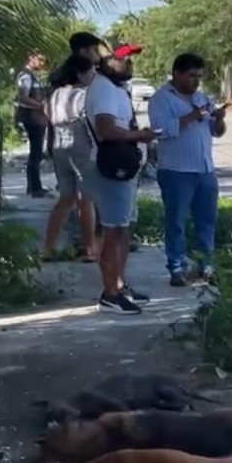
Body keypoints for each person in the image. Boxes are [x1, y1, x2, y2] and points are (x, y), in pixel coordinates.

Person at [82, 43, 156, 314]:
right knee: (113, 231)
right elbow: (106, 130)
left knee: (122, 229)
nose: (129, 65)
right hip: (112, 167)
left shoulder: (114, 88)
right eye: (124, 59)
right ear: (106, 62)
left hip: (123, 167)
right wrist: (140, 136)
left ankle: (119, 285)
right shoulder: (103, 89)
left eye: (131, 60)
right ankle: (110, 294)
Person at [147, 53, 227, 287]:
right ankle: (177, 268)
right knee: (176, 222)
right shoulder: (161, 99)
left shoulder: (202, 97)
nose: (196, 81)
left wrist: (219, 119)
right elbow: (159, 130)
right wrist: (190, 117)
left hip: (204, 169)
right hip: (176, 171)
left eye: (199, 76)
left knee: (207, 221)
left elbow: (216, 131)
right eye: (191, 75)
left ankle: (206, 266)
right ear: (176, 74)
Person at [41, 54, 98, 261]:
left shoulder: (55, 94)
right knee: (86, 200)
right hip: (80, 146)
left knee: (66, 199)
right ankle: (90, 249)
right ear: (80, 74)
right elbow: (89, 122)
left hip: (59, 145)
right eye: (91, 71)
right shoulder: (82, 95)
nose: (93, 75)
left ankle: (48, 248)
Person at [16, 52, 50, 197]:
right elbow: (23, 98)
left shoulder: (33, 76)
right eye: (40, 60)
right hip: (32, 118)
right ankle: (35, 188)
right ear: (31, 58)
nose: (42, 63)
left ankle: (34, 186)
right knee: (36, 153)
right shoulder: (26, 77)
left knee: (36, 153)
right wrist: (41, 106)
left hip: (36, 118)